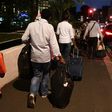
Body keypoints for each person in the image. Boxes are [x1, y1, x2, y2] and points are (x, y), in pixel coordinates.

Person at [21, 9, 64, 108]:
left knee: (36, 75)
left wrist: (30, 42)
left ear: (40, 15)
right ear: (49, 17)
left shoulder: (31, 25)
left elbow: (23, 39)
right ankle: (44, 93)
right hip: (45, 58)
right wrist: (59, 56)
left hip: (34, 57)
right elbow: (54, 44)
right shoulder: (49, 27)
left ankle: (32, 94)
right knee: (45, 74)